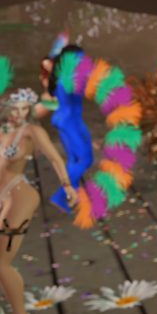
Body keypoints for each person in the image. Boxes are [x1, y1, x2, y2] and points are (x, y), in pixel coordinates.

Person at [0, 88, 77, 314]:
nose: (20, 113)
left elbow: (55, 158)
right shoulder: (2, 130)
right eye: (16, 108)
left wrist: (67, 186)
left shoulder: (32, 132)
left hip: (19, 195)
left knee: (0, 261)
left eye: (25, 109)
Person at [41, 46, 92, 213]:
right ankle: (60, 195)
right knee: (85, 159)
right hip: (69, 121)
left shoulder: (62, 76)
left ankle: (70, 198)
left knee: (73, 159)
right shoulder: (69, 79)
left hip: (66, 119)